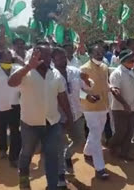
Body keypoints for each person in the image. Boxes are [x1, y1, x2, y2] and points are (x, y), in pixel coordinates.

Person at [8, 41, 74, 190]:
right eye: (42, 55)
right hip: (30, 123)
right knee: (27, 152)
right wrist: (28, 67)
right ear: (34, 55)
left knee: (52, 156)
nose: (47, 58)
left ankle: (52, 186)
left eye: (49, 55)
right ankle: (24, 177)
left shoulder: (55, 73)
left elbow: (62, 97)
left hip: (52, 123)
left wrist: (69, 116)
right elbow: (11, 82)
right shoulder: (25, 72)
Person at [51, 47, 93, 187]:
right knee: (58, 146)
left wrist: (87, 81)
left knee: (80, 140)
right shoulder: (51, 75)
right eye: (59, 57)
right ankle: (61, 176)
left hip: (76, 114)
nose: (63, 59)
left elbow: (86, 89)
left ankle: (67, 155)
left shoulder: (75, 71)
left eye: (64, 57)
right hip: (59, 117)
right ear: (53, 60)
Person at [80, 45, 114, 180]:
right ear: (90, 54)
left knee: (97, 132)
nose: (100, 54)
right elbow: (77, 90)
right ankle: (100, 168)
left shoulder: (105, 67)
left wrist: (111, 87)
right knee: (96, 135)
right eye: (96, 52)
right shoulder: (83, 69)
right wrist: (87, 96)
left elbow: (105, 84)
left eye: (101, 52)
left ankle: (87, 151)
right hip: (90, 108)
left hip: (104, 106)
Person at [109, 49, 134, 161]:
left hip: (133, 107)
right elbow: (115, 92)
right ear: (123, 60)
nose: (133, 61)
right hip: (120, 108)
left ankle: (124, 153)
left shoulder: (132, 71)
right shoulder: (117, 74)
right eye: (130, 60)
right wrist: (125, 105)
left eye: (133, 60)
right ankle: (111, 145)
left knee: (130, 132)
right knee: (120, 132)